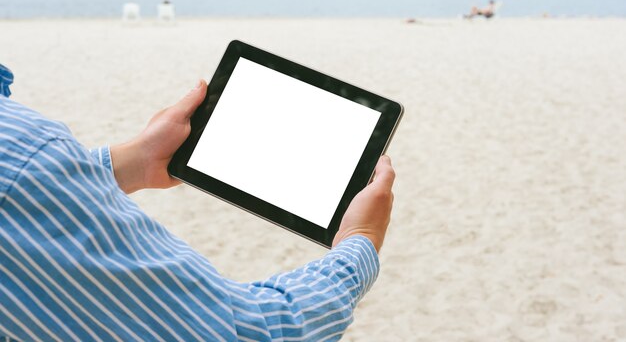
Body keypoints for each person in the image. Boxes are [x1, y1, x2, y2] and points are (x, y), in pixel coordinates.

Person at [0, 64, 395, 341]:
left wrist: (133, 163)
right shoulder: (16, 148)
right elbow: (245, 334)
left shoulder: (19, 153)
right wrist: (359, 242)